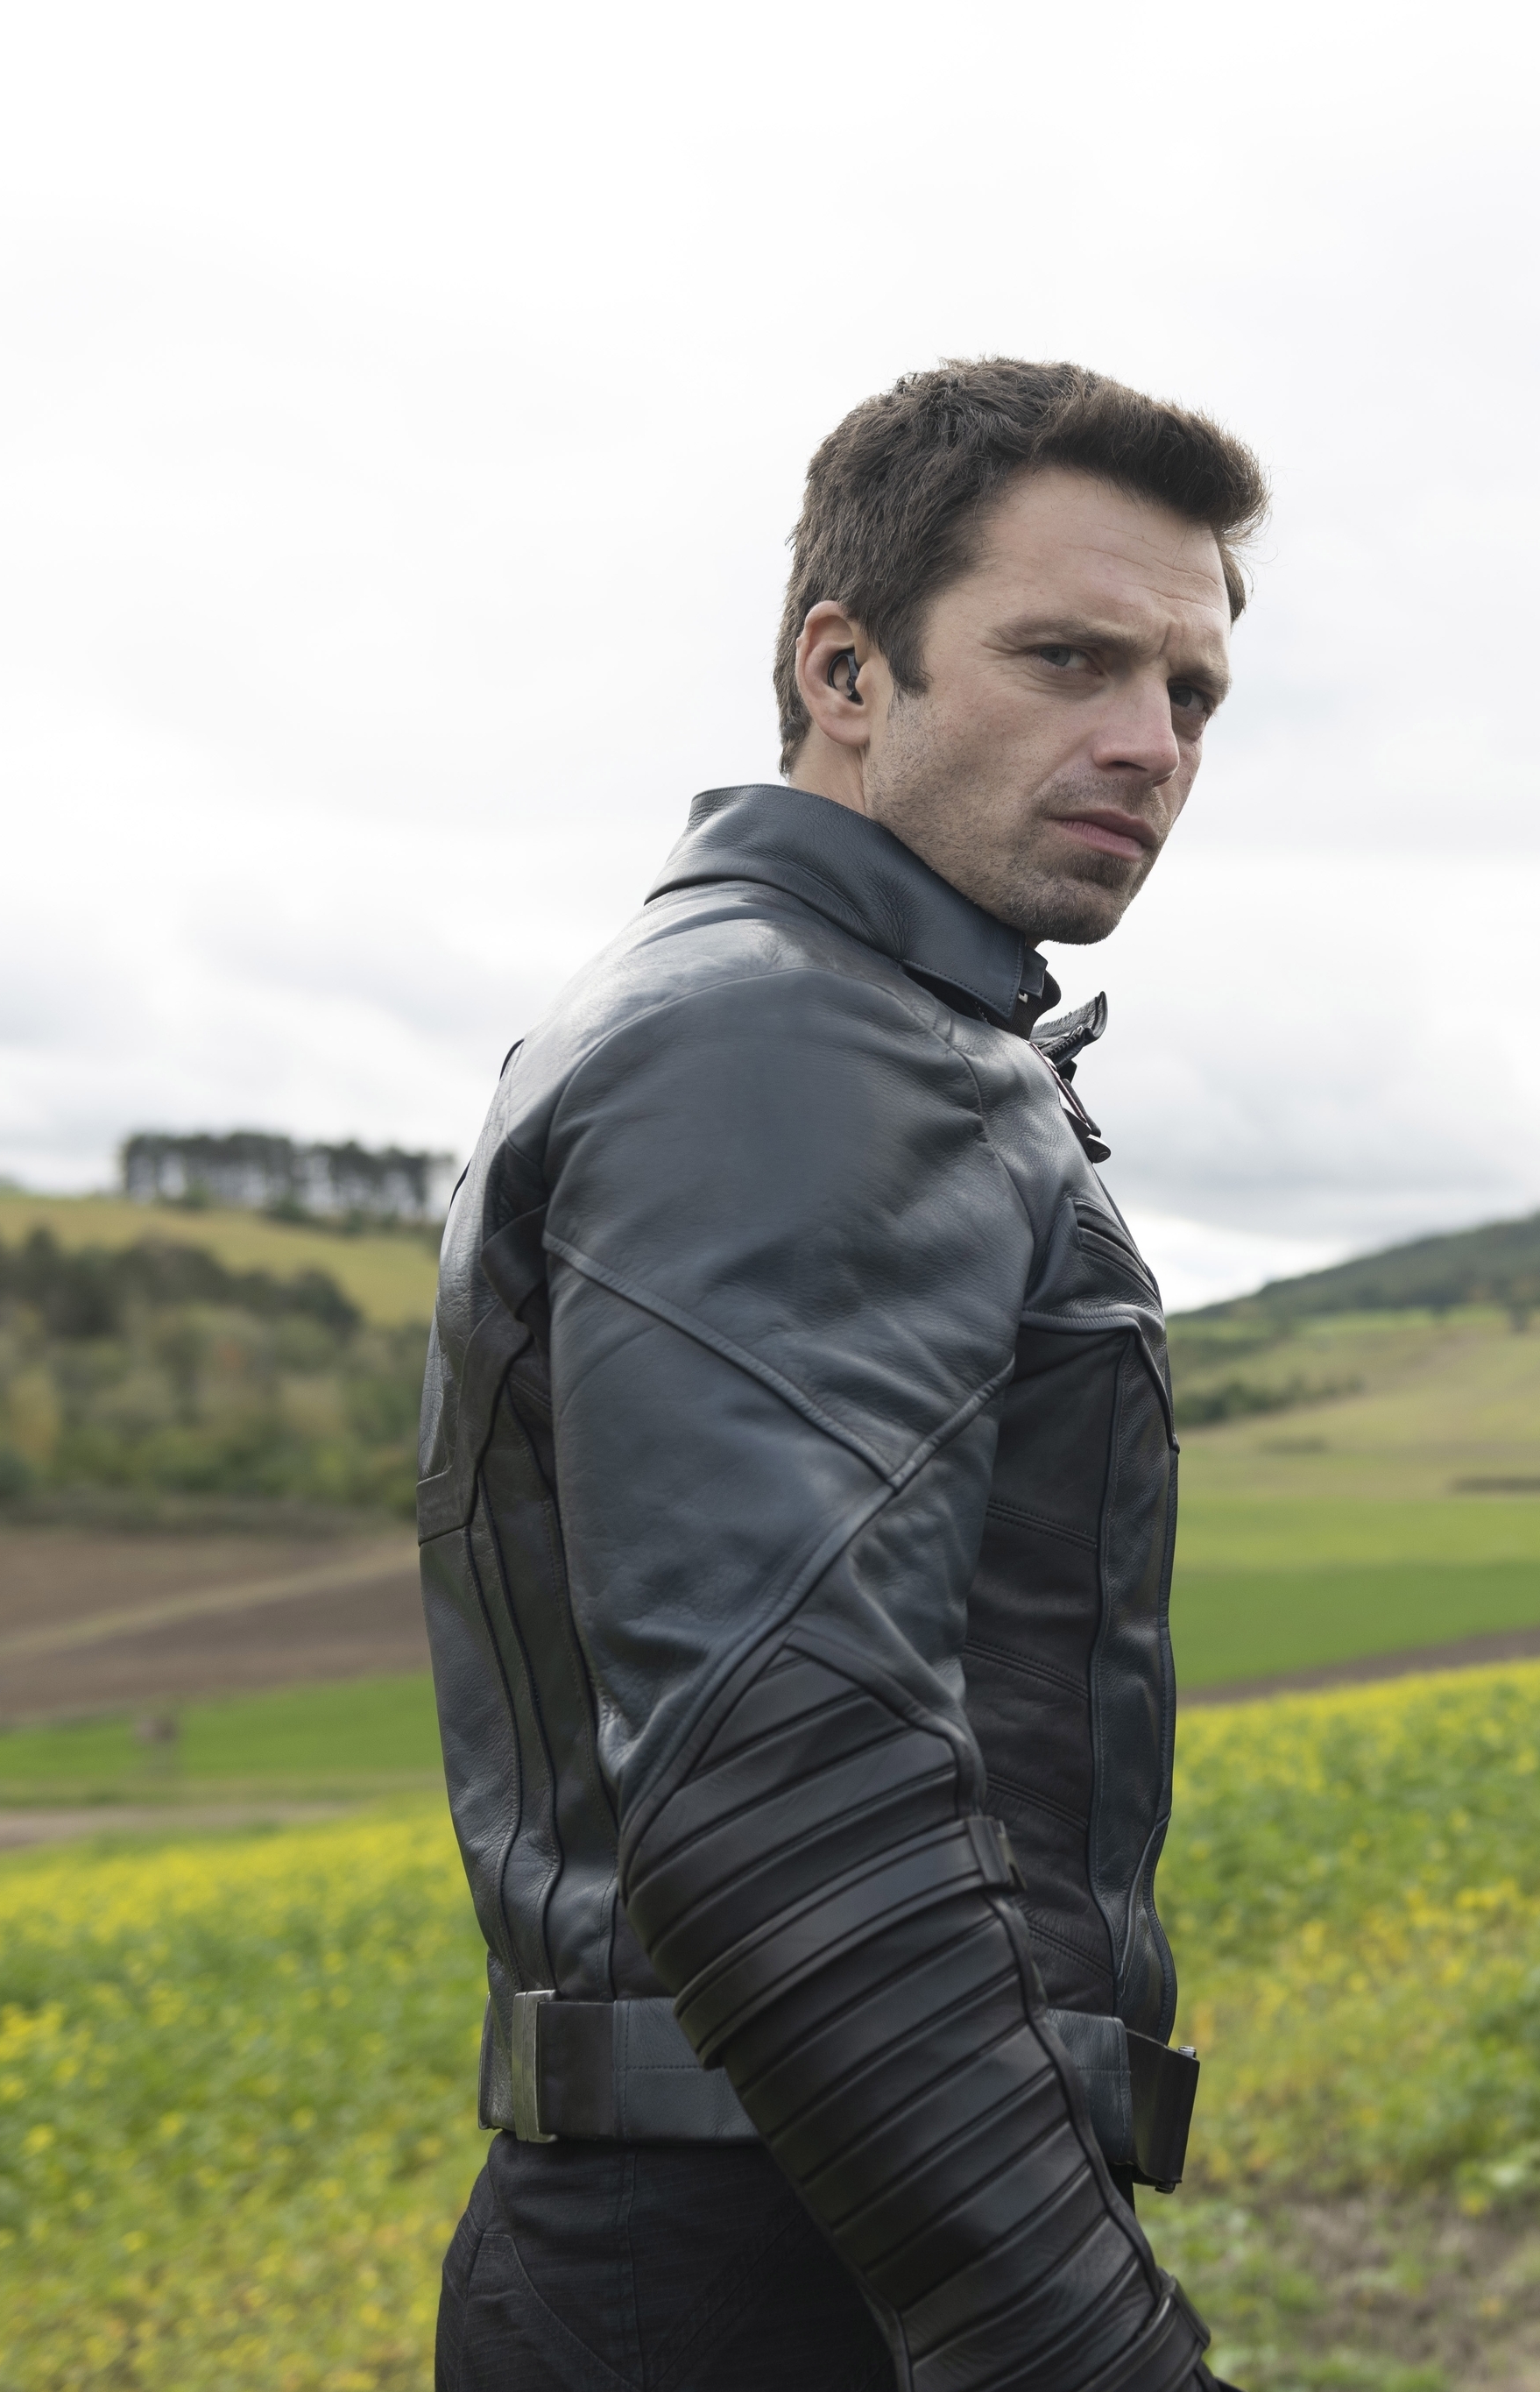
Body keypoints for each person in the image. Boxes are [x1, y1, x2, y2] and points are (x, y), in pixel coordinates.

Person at [418, 358, 1264, 2392]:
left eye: (1192, 694)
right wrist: (1081, 2349)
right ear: (845, 666)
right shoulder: (783, 1040)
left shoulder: (817, 1013)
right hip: (769, 2270)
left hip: (776, 2230)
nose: (1145, 743)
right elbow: (787, 1787)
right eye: (1065, 659)